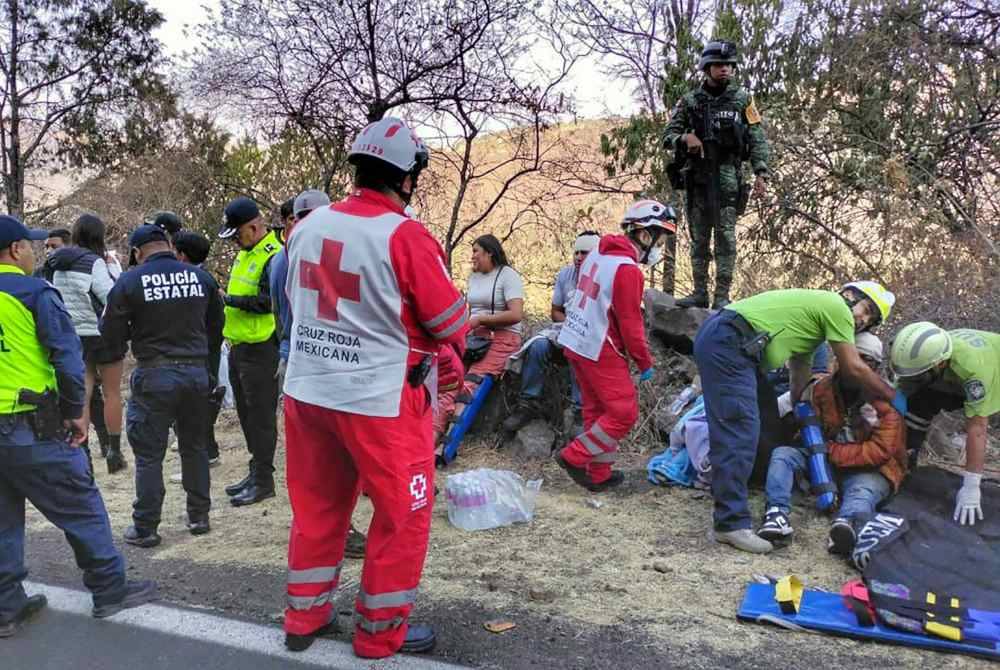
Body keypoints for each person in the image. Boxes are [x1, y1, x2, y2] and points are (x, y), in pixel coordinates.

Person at [282, 116, 467, 658]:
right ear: (406, 177)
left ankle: (304, 616)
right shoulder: (405, 236)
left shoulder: (306, 227)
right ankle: (380, 634)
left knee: (316, 507)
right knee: (402, 514)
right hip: (379, 401)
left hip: (308, 391)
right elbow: (449, 323)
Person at [0, 215, 157, 637]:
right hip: (30, 424)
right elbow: (66, 358)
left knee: (2, 518)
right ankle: (109, 589)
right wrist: (74, 412)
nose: (35, 251)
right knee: (79, 504)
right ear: (16, 251)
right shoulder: (33, 292)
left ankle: (5, 605)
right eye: (30, 246)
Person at [693, 281, 906, 554]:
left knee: (767, 420)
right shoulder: (835, 306)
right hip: (731, 342)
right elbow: (854, 368)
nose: (863, 320)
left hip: (734, 344)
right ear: (851, 295)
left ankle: (747, 484)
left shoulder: (812, 329)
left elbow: (799, 374)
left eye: (870, 320)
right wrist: (892, 395)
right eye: (867, 309)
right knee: (740, 428)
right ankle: (730, 523)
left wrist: (801, 407)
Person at [101, 225, 225, 547]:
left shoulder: (129, 281)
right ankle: (199, 516)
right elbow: (216, 327)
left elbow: (110, 332)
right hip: (196, 375)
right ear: (169, 245)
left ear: (137, 252)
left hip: (154, 375)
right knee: (195, 447)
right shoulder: (201, 278)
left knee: (149, 455)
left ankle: (146, 527)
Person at [554, 201, 676, 491]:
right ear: (645, 235)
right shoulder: (628, 270)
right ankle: (574, 456)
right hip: (599, 345)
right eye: (660, 238)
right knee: (623, 413)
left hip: (575, 339)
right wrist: (644, 362)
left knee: (597, 411)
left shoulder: (598, 253)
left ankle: (598, 474)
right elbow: (630, 323)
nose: (661, 246)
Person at [758, 333, 907, 555]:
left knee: (862, 491)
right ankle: (777, 513)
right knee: (784, 455)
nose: (856, 364)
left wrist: (828, 451)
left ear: (874, 366)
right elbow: (804, 425)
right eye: (852, 356)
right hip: (822, 461)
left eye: (865, 359)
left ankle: (846, 527)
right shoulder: (820, 389)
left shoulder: (887, 399)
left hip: (869, 469)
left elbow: (880, 451)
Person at [662, 40, 770, 310]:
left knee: (726, 239)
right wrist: (686, 137)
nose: (725, 69)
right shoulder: (690, 102)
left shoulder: (743, 100)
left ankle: (722, 297)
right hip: (698, 179)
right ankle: (700, 292)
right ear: (707, 68)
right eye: (719, 65)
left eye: (729, 65)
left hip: (728, 180)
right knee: (699, 238)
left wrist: (761, 173)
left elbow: (757, 138)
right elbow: (667, 136)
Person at [889, 322, 1000, 527]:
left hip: (992, 370)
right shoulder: (924, 351)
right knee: (918, 404)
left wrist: (971, 486)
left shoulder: (973, 372)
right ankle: (904, 465)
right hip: (950, 373)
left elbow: (977, 429)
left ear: (939, 364)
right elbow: (901, 388)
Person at [43, 214, 127, 473]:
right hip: (102, 334)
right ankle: (114, 452)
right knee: (112, 393)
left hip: (73, 335)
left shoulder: (54, 263)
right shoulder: (95, 262)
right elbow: (110, 295)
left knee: (83, 394)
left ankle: (84, 454)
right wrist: (115, 269)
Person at [218, 196, 283, 507]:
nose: (234, 242)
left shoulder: (274, 255)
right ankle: (255, 470)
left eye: (237, 234)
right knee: (246, 415)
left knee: (261, 418)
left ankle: (264, 480)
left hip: (262, 349)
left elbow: (268, 302)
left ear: (254, 226)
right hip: (239, 347)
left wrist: (227, 301)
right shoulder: (246, 253)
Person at [503, 231, 601, 433]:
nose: (578, 258)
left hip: (590, 340)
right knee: (538, 346)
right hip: (563, 331)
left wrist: (580, 330)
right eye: (576, 253)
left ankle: (580, 411)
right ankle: (528, 403)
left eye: (584, 253)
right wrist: (570, 324)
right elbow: (555, 311)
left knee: (578, 348)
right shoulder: (566, 275)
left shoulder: (603, 277)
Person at [435, 234, 524, 442]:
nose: (472, 256)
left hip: (503, 337)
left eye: (476, 251)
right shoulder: (473, 277)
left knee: (469, 384)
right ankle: (430, 435)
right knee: (449, 380)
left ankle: (447, 445)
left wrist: (482, 320)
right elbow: (468, 311)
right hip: (475, 337)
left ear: (489, 252)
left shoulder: (508, 276)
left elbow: (516, 314)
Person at [173, 230, 224, 467]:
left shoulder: (197, 281)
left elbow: (214, 321)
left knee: (197, 405)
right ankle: (208, 451)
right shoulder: (204, 278)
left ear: (182, 255)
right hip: (204, 351)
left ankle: (205, 455)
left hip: (201, 353)